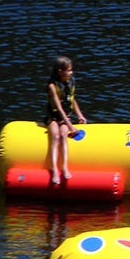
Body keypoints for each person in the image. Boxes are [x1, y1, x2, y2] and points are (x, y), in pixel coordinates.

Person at [44, 56, 87, 185]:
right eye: (68, 70)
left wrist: (80, 116)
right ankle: (55, 170)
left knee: (64, 135)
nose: (71, 73)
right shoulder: (52, 86)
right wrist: (71, 126)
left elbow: (72, 100)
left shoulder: (70, 82)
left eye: (71, 70)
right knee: (55, 136)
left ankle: (65, 167)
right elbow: (58, 107)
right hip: (53, 117)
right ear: (60, 71)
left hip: (66, 117)